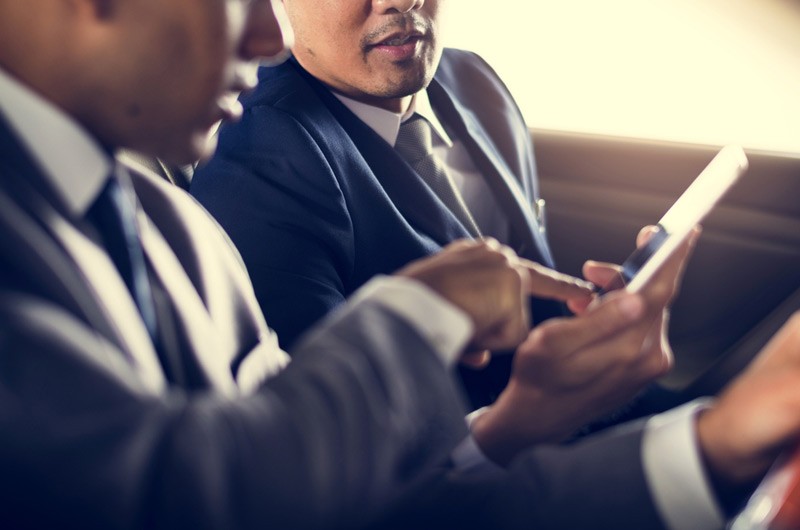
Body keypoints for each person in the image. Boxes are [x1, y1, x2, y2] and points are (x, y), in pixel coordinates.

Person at [3, 0, 800, 529]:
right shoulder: (245, 173)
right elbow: (202, 495)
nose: (267, 37)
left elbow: (358, 502)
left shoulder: (174, 224)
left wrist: (710, 444)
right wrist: (422, 312)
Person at [187, 0, 632, 408]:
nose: (397, 0)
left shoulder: (473, 80)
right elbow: (321, 431)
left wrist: (604, 322)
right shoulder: (259, 155)